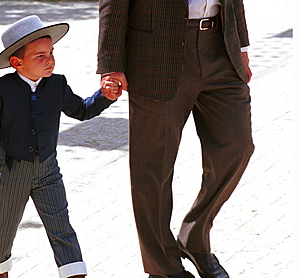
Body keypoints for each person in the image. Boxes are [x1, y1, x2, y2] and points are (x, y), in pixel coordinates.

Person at [97, 1, 254, 278]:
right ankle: (163, 267)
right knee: (153, 168)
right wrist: (111, 63)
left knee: (237, 147)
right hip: (155, 54)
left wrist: (240, 46)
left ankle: (194, 235)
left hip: (219, 46)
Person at [0, 15, 121, 278]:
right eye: (40, 56)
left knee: (62, 228)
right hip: (11, 173)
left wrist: (104, 96)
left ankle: (74, 274)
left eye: (51, 53)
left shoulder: (57, 85)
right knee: (1, 231)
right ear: (17, 63)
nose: (49, 59)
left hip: (48, 171)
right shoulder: (1, 89)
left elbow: (82, 110)